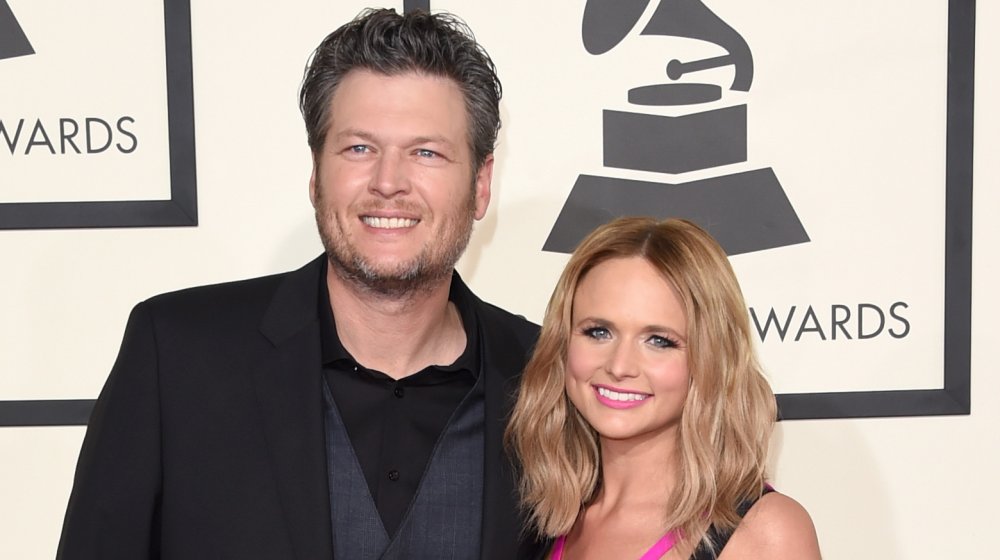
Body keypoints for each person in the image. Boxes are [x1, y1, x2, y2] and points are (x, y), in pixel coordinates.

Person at [58, 8, 544, 560]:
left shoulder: (547, 376)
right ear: (316, 174)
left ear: (480, 186)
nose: (388, 183)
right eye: (359, 148)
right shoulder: (175, 355)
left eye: (426, 153)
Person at [507, 217, 821, 559]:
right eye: (598, 332)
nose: (619, 366)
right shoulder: (542, 521)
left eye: (659, 341)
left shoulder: (765, 532)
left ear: (710, 358)